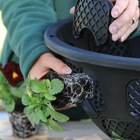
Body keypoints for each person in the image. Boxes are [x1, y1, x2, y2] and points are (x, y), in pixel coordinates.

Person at [0, 0, 140, 120]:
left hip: (125, 89)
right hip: (47, 66)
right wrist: (35, 50)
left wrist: (132, 9)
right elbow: (24, 4)